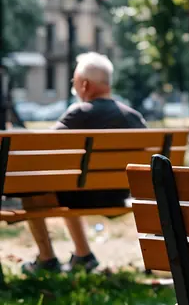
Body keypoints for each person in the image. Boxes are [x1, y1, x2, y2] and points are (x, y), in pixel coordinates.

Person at [22, 52, 147, 276]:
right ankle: (83, 255)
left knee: (32, 190)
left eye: (74, 82)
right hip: (121, 194)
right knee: (71, 184)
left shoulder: (79, 114)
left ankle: (47, 258)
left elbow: (40, 149)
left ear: (85, 85)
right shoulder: (134, 118)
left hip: (84, 195)